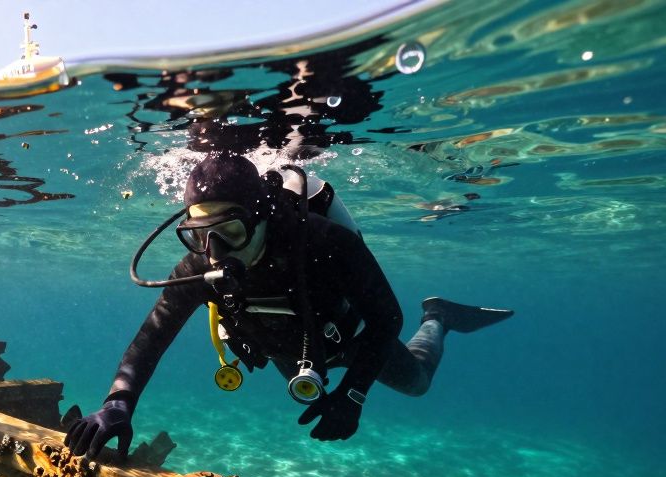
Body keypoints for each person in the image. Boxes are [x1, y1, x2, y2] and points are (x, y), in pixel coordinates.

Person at [64, 152, 512, 460]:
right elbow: (153, 335)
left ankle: (439, 317)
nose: (216, 252)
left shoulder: (321, 242)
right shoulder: (197, 265)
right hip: (288, 353)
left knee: (417, 383)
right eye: (202, 235)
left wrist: (353, 394)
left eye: (231, 231)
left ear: (260, 217)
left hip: (352, 340)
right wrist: (118, 403)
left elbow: (386, 317)